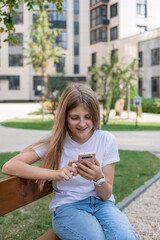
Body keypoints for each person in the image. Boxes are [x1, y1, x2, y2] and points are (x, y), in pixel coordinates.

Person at [2, 83, 137, 240]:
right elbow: (10, 166)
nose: (81, 124)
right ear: (65, 117)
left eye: (88, 117)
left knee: (126, 237)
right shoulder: (55, 142)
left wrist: (98, 178)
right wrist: (56, 174)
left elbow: (106, 196)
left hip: (102, 205)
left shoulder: (106, 140)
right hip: (68, 208)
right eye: (74, 117)